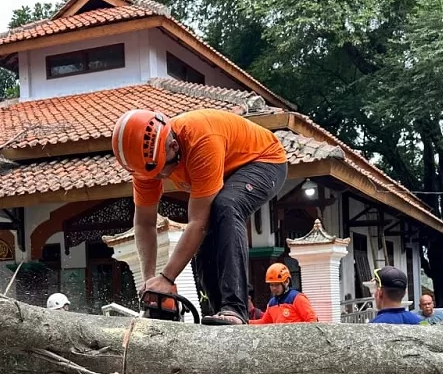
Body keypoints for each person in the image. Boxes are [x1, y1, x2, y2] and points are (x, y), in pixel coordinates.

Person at [113, 108, 288, 326]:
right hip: (226, 169)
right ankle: (218, 313)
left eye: (160, 171)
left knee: (227, 206)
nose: (157, 178)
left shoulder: (201, 138)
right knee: (204, 245)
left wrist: (167, 278)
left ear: (173, 145)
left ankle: (235, 308)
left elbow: (198, 223)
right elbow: (144, 223)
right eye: (152, 174)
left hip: (265, 161)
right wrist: (150, 280)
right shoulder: (145, 164)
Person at [249, 264, 319, 324]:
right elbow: (264, 322)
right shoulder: (272, 303)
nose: (274, 288)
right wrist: (245, 322)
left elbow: (312, 320)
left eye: (277, 285)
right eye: (271, 285)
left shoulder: (297, 298)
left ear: (286, 282)